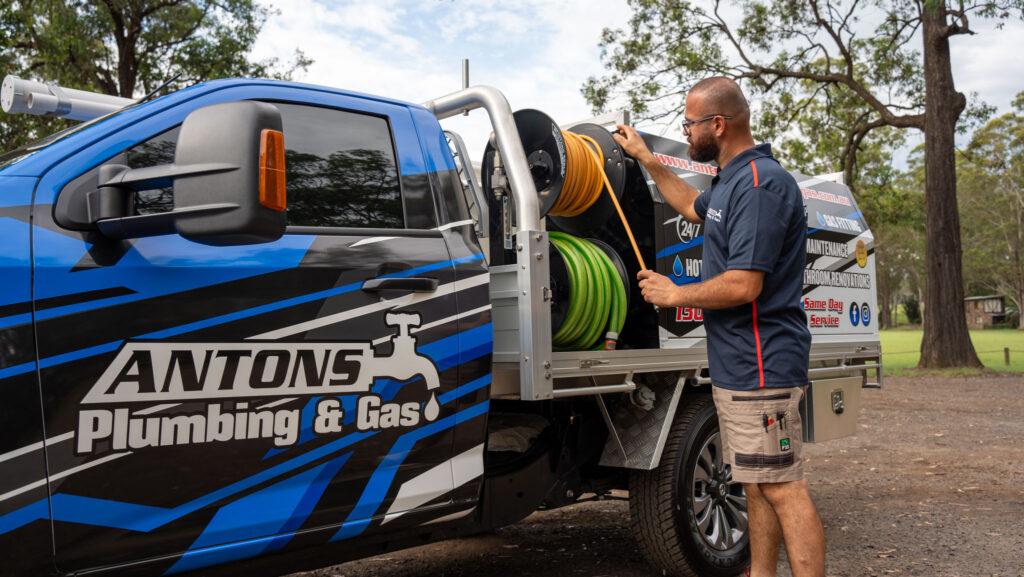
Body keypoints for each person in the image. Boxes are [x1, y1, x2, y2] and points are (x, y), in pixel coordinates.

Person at [612, 77, 825, 577]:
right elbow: (691, 205)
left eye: (690, 122)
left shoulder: (760, 185)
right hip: (738, 366)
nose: (686, 130)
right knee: (756, 482)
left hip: (762, 365)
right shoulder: (730, 181)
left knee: (782, 486)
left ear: (719, 124)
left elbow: (745, 284)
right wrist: (646, 158)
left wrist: (676, 294)